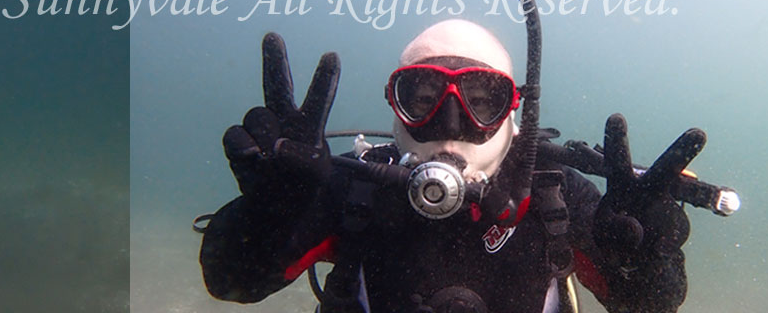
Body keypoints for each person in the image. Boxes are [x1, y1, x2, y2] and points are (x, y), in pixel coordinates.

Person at [200, 19, 715, 313]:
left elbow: (653, 306)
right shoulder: (350, 188)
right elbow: (231, 281)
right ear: (394, 108)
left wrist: (645, 256)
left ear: (515, 111)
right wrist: (270, 214)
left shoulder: (556, 195)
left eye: (479, 100)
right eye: (422, 97)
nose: (450, 123)